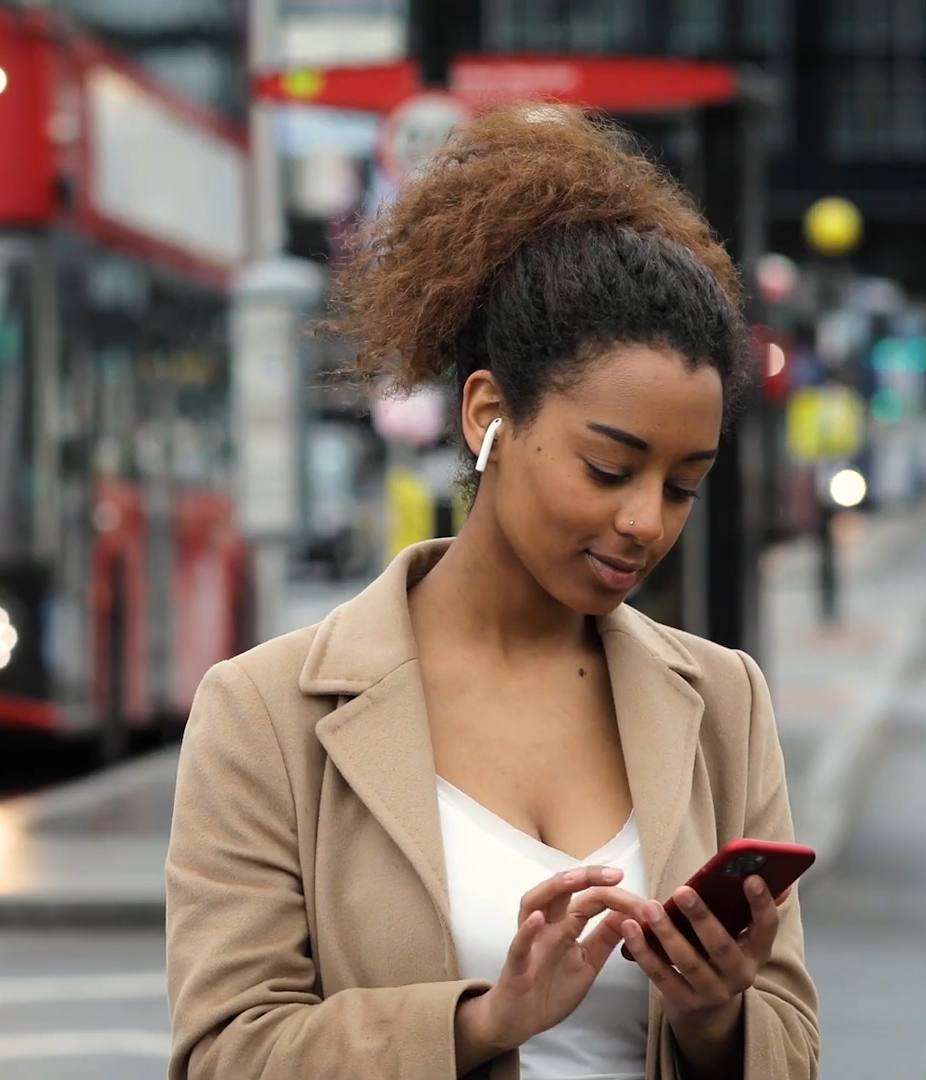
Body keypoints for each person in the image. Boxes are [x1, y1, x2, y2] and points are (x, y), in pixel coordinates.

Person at [166, 106, 817, 1079]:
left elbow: (793, 1048)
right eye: (609, 468)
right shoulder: (265, 713)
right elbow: (225, 1054)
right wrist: (481, 1022)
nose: (648, 520)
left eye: (684, 485)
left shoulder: (723, 698)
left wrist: (714, 1017)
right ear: (488, 417)